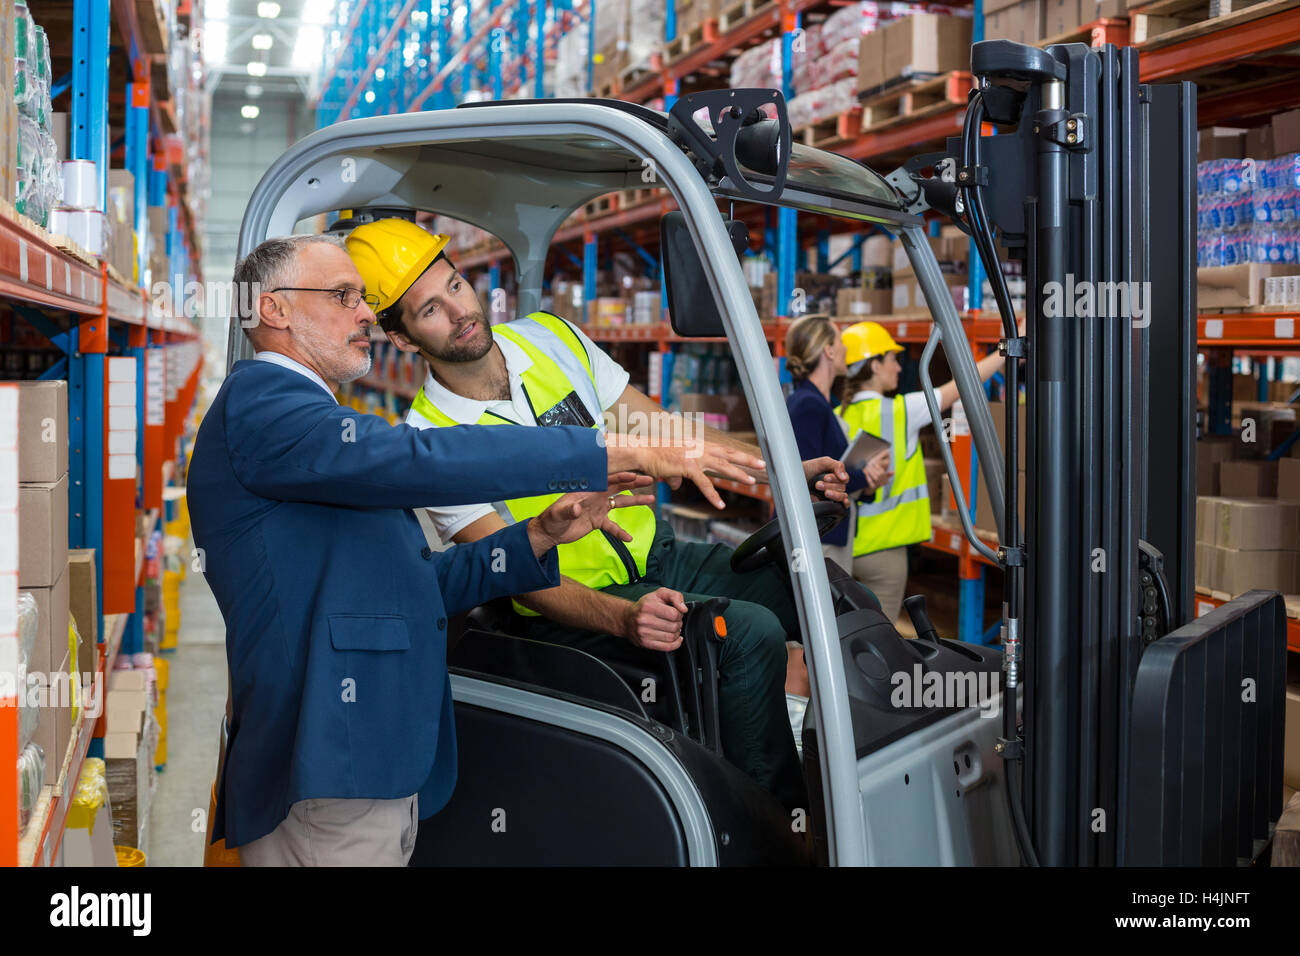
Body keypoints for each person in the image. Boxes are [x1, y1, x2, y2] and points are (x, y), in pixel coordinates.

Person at [188, 233, 759, 866]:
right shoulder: (266, 406)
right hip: (329, 762)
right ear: (274, 310)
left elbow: (417, 583)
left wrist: (538, 535)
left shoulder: (312, 424)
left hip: (375, 762)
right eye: (345, 295)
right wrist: (611, 450)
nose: (364, 315)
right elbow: (420, 458)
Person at [345, 217, 851, 810]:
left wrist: (786, 471)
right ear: (403, 339)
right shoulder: (429, 438)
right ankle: (778, 825)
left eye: (455, 286)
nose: (459, 311)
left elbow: (662, 430)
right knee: (747, 635)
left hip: (657, 557)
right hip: (573, 610)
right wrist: (623, 618)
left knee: (820, 586)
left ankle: (849, 771)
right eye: (429, 309)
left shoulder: (551, 336)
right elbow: (515, 577)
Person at [838, 320, 1007, 623]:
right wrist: (1004, 351)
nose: (899, 368)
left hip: (842, 549)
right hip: (885, 554)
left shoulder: (838, 416)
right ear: (874, 366)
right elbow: (960, 388)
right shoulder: (902, 411)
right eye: (892, 359)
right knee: (877, 642)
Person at [783, 314, 892, 569]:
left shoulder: (819, 403)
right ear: (829, 351)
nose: (846, 348)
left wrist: (865, 483)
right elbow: (809, 479)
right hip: (817, 537)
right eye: (841, 341)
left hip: (825, 533)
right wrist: (864, 476)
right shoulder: (808, 405)